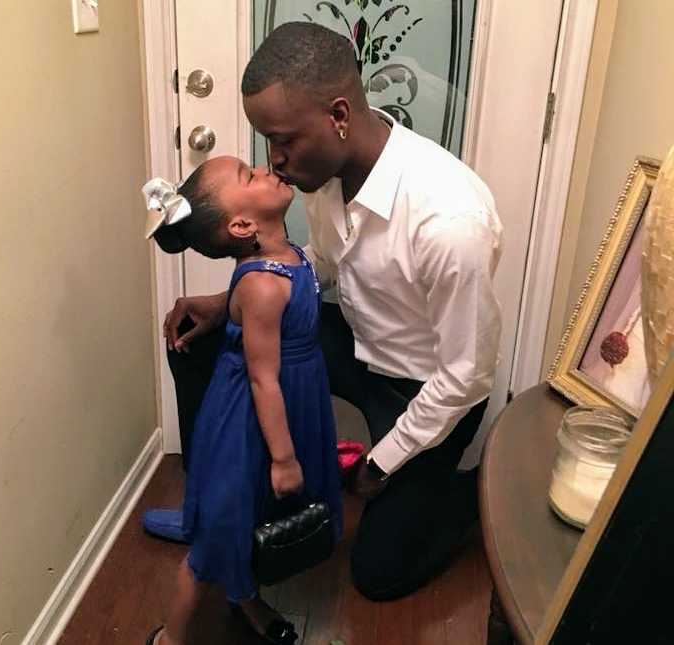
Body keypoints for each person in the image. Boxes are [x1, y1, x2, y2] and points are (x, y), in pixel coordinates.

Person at [145, 21, 503, 602]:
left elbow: (466, 375)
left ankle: (471, 494)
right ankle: (213, 508)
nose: (274, 160)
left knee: (378, 575)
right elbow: (326, 264)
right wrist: (223, 303)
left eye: (282, 140)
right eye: (265, 141)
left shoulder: (449, 222)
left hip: (427, 386)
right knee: (201, 339)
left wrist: (378, 465)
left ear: (339, 114)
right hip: (358, 342)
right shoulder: (320, 170)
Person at [142, 156, 343, 645]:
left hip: (290, 403)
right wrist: (284, 456)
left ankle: (245, 598)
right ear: (241, 224)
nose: (263, 168)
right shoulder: (262, 285)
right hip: (251, 420)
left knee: (259, 513)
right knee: (218, 535)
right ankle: (170, 637)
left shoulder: (288, 254)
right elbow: (262, 379)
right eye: (248, 176)